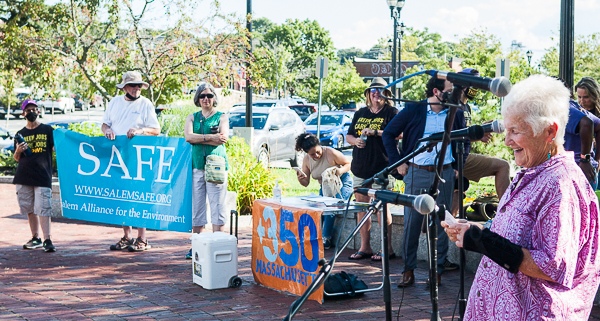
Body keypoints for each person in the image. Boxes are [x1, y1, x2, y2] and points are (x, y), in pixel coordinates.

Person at [443, 75, 600, 320]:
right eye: (507, 130)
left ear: (550, 131)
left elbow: (553, 266)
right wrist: (475, 229)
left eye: (515, 131)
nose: (507, 141)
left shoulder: (562, 184)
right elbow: (514, 236)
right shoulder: (532, 170)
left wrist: (482, 240)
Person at [382, 76, 469, 287]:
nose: (456, 94)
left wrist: (458, 165)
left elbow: (465, 140)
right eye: (451, 90)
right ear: (437, 92)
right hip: (417, 172)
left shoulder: (455, 111)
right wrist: (398, 164)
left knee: (442, 223)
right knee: (412, 223)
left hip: (445, 173)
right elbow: (388, 134)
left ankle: (436, 271)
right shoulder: (415, 110)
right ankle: (408, 270)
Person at [102, 70, 161, 252]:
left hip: (138, 158)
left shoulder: (146, 104)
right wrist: (107, 131)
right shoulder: (114, 102)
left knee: (138, 195)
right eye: (133, 85)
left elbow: (156, 129)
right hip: (118, 156)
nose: (136, 88)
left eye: (139, 85)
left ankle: (142, 238)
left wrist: (139, 131)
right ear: (125, 87)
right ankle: (127, 236)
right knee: (120, 195)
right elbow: (105, 124)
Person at [346, 77, 398, 261]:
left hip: (382, 169)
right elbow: (349, 136)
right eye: (372, 90)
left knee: (382, 208)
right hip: (360, 168)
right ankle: (365, 247)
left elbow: (399, 134)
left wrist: (375, 132)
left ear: (387, 94)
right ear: (368, 93)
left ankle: (387, 249)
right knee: (362, 208)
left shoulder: (391, 112)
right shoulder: (360, 112)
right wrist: (356, 140)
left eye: (380, 90)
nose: (376, 93)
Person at [449, 68, 511, 216]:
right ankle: (506, 215)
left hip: (462, 156)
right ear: (463, 85)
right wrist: (479, 132)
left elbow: (464, 133)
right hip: (453, 158)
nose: (476, 89)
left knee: (459, 190)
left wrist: (480, 132)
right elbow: (452, 135)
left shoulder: (465, 106)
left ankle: (446, 226)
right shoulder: (454, 106)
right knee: (503, 166)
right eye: (474, 85)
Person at [184, 82, 229, 259]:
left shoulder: (221, 117)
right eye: (202, 96)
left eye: (209, 96)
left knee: (218, 204)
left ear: (214, 98)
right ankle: (196, 245)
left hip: (216, 166)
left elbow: (223, 139)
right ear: (197, 99)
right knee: (197, 206)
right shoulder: (192, 117)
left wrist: (199, 139)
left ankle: (217, 241)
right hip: (197, 166)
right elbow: (188, 137)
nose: (206, 99)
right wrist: (211, 137)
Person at [294, 133, 352, 249]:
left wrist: (339, 171)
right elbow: (306, 183)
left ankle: (326, 238)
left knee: (331, 206)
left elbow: (348, 163)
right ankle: (315, 236)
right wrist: (300, 179)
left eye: (317, 152)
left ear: (319, 145)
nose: (316, 156)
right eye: (312, 154)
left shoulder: (330, 153)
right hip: (325, 187)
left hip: (342, 183)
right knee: (318, 208)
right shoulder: (307, 160)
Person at [13, 99, 56, 252]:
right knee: (30, 209)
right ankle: (35, 237)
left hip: (42, 175)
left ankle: (47, 240)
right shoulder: (20, 134)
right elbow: (16, 158)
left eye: (34, 109)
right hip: (24, 176)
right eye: (28, 110)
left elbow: (55, 149)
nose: (31, 112)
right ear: (23, 114)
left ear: (39, 111)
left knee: (44, 208)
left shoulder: (47, 130)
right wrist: (18, 150)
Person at [559, 77, 600, 189]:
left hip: (581, 167)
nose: (582, 101)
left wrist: (588, 159)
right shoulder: (577, 108)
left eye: (586, 97)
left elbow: (588, 123)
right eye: (579, 97)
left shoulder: (569, 109)